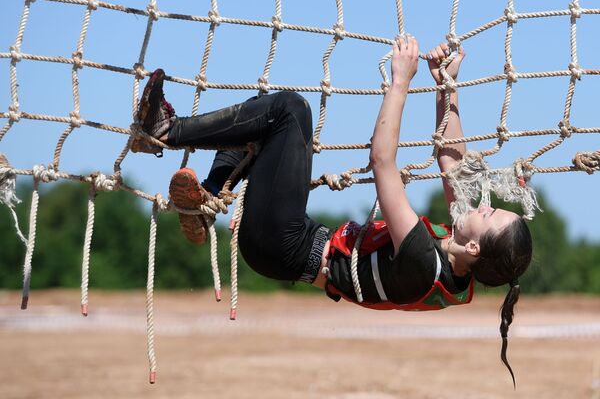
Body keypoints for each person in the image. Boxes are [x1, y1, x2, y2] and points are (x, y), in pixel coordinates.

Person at [135, 36, 532, 386]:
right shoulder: (457, 266)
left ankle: (165, 131)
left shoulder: (423, 262)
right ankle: (204, 200)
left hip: (283, 245)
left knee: (290, 111)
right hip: (293, 242)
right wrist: (447, 87)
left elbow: (382, 162)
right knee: (260, 121)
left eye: (490, 214)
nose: (483, 204)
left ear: (476, 248)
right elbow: (454, 164)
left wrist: (400, 81)